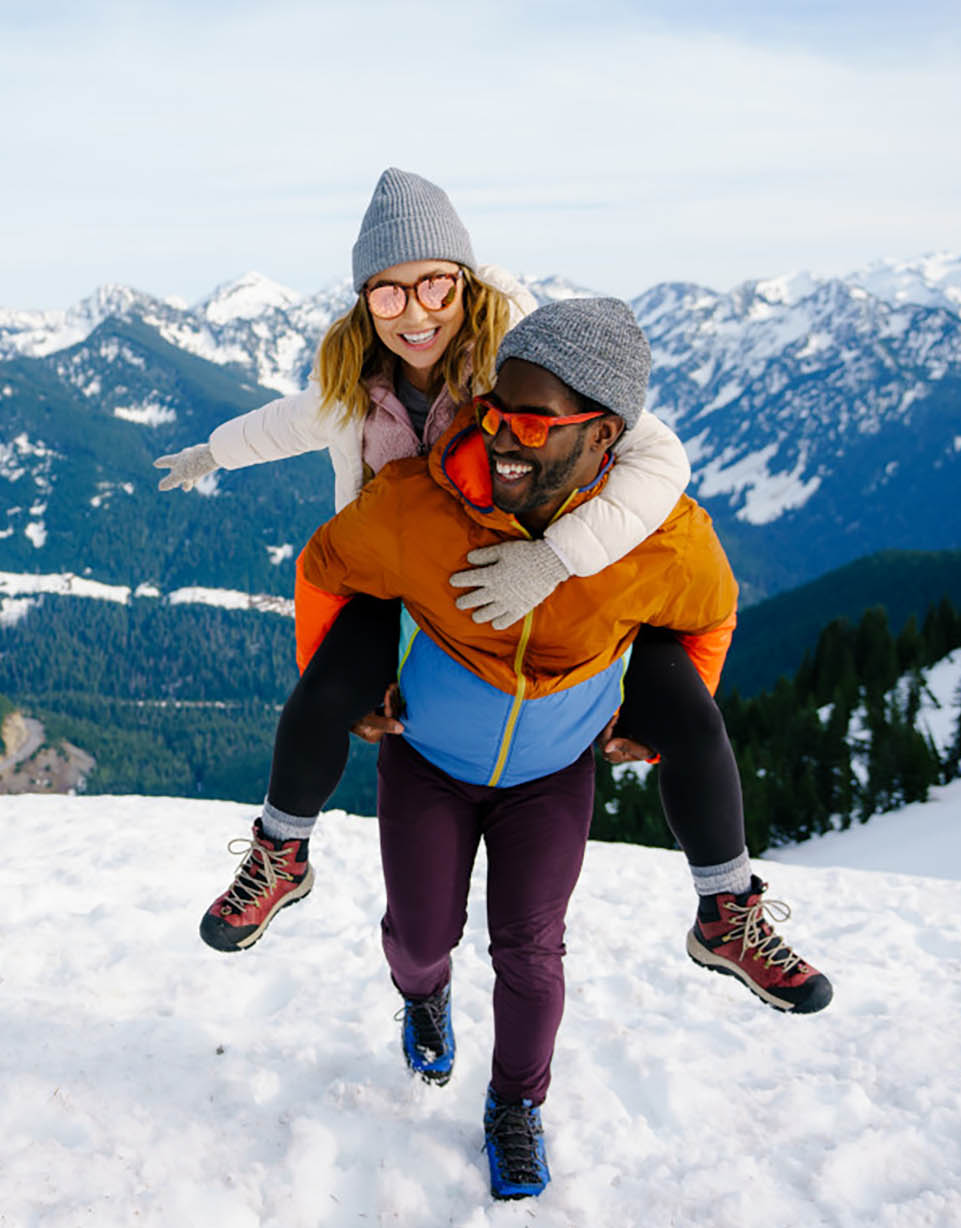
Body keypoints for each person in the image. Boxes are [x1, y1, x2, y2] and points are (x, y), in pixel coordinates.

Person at [155, 169, 823, 1016]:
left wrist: (560, 560)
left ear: (466, 282)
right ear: (365, 304)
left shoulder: (521, 367)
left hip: (558, 568)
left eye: (434, 283)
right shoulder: (357, 384)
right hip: (410, 577)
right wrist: (213, 452)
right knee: (325, 686)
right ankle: (282, 856)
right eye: (388, 294)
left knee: (686, 708)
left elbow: (659, 458)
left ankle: (727, 910)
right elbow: (289, 421)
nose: (416, 311)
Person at [286, 297, 825, 1199]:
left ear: (604, 435)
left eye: (533, 424)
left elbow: (709, 615)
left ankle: (514, 1108)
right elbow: (326, 568)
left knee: (530, 950)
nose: (503, 439)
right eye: (496, 413)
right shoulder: (421, 500)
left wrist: (663, 717)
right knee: (421, 939)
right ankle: (422, 997)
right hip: (427, 764)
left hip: (550, 779)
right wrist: (338, 684)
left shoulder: (662, 537)